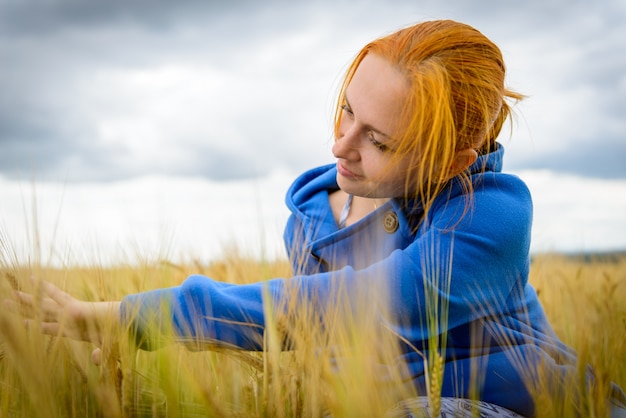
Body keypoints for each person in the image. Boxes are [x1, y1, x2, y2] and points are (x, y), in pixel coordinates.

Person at [6, 19, 625, 418]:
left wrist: (131, 317)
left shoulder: (491, 215)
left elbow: (331, 307)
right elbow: (304, 338)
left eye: (378, 140)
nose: (340, 147)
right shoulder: (309, 213)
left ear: (452, 158)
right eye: (345, 111)